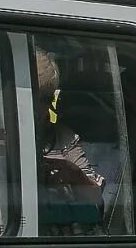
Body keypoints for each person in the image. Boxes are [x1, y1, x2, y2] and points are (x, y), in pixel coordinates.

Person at [32, 46, 106, 233]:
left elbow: (95, 198)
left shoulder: (63, 137)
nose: (44, 107)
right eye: (38, 97)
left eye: (48, 99)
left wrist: (75, 176)